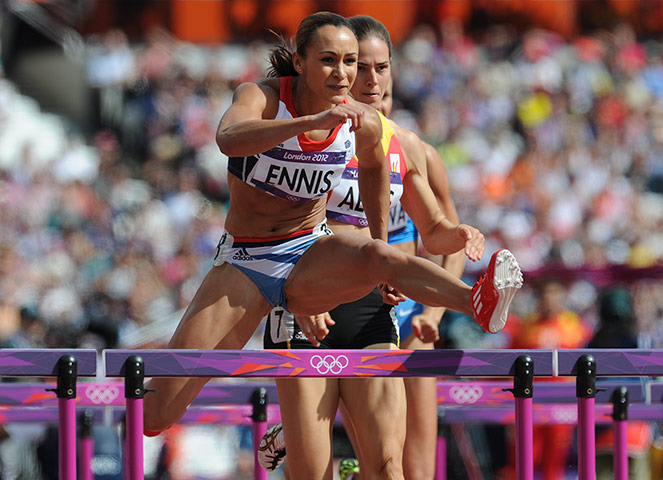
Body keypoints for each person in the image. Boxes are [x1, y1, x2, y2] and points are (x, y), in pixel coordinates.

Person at [143, 12, 521, 446]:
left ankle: (478, 303)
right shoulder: (263, 98)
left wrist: (381, 249)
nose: (342, 73)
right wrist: (308, 123)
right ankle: (286, 432)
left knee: (379, 256)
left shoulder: (366, 122)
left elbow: (376, 172)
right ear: (300, 62)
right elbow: (229, 138)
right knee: (156, 414)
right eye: (328, 60)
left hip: (310, 252)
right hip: (248, 261)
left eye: (350, 61)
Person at [258, 15, 521, 480]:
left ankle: (340, 460)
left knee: (399, 467)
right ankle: (301, 437)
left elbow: (438, 232)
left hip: (388, 305)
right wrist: (299, 293)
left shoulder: (411, 147)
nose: (373, 80)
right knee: (313, 470)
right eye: (364, 68)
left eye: (384, 68)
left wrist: (460, 244)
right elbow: (278, 226)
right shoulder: (314, 133)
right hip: (311, 300)